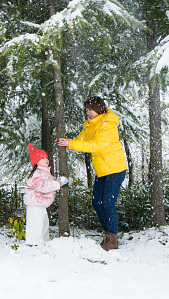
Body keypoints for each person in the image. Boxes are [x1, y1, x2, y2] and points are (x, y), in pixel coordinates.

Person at [57, 96, 127, 251]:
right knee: (97, 203)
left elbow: (96, 146)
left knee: (108, 204)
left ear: (98, 108)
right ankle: (108, 235)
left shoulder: (107, 125)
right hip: (102, 170)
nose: (87, 113)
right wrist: (68, 143)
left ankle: (113, 240)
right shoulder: (89, 125)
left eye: (90, 110)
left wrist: (72, 143)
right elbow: (81, 139)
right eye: (86, 110)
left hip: (115, 169)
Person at [25, 144, 69, 245]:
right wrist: (58, 183)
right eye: (42, 158)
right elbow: (43, 186)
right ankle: (34, 242)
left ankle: (43, 240)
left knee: (43, 223)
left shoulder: (45, 172)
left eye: (46, 158)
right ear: (36, 161)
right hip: (35, 202)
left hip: (40, 202)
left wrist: (61, 182)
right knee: (36, 223)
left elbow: (50, 184)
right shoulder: (37, 173)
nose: (46, 160)